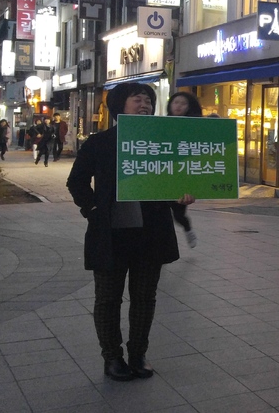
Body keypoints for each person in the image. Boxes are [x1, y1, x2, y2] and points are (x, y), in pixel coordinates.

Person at [66, 83, 193, 381]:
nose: (145, 104)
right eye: (138, 99)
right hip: (111, 234)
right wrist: (93, 211)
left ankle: (138, 354)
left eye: (149, 100)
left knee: (145, 298)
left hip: (151, 232)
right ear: (120, 106)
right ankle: (112, 357)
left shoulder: (162, 143)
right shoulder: (99, 143)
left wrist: (182, 196)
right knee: (108, 299)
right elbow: (77, 182)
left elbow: (175, 181)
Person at [167, 93, 203, 248]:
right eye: (176, 102)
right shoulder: (160, 123)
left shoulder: (196, 127)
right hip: (164, 174)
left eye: (183, 103)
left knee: (179, 214)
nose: (178, 106)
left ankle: (188, 230)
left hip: (183, 175)